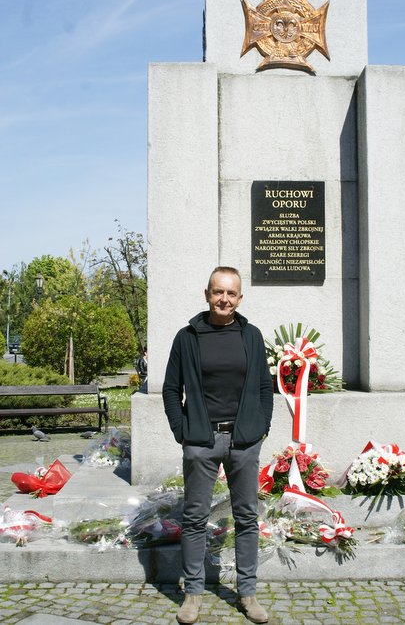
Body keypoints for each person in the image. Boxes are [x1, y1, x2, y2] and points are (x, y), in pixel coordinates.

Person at [163, 266, 273, 624]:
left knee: (246, 518)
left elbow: (263, 388)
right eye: (217, 292)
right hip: (201, 441)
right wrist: (184, 432)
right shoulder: (187, 337)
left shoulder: (252, 336)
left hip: (243, 442)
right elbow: (170, 389)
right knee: (195, 518)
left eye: (231, 293)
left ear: (240, 298)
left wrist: (260, 428)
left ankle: (248, 593)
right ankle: (193, 594)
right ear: (207, 294)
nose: (223, 299)